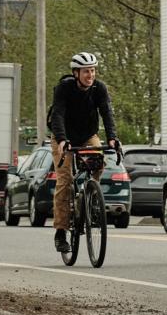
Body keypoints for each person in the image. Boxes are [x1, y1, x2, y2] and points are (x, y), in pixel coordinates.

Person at [49, 52, 121, 253]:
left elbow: (107, 113)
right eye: (86, 71)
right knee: (65, 180)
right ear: (76, 73)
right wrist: (62, 139)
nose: (90, 75)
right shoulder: (64, 88)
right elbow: (58, 114)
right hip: (63, 137)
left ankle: (90, 196)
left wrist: (113, 138)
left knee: (98, 162)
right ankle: (61, 231)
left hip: (88, 135)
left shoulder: (99, 88)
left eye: (93, 70)